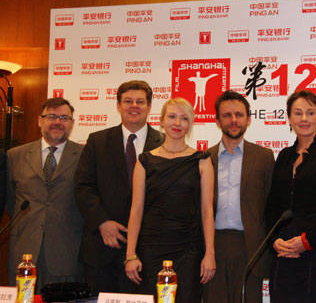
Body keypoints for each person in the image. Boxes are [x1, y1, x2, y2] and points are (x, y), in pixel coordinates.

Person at [75, 80, 163, 294]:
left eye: (140, 101)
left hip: (147, 249)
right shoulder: (97, 141)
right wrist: (102, 222)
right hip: (102, 249)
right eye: (128, 101)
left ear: (149, 107)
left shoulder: (164, 143)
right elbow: (83, 186)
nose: (134, 106)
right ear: (118, 105)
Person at [125, 97, 215, 302]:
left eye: (184, 118)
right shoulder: (145, 161)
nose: (177, 123)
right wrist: (131, 255)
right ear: (162, 121)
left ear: (190, 124)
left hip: (189, 249)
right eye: (172, 116)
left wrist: (209, 253)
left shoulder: (201, 160)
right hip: (151, 248)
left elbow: (207, 211)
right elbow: (136, 210)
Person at [265, 90, 316, 303]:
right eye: (298, 113)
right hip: (284, 251)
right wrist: (274, 241)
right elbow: (273, 204)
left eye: (310, 113)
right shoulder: (284, 156)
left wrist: (308, 241)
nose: (304, 119)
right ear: (289, 118)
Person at [203, 90, 275, 303]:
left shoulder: (264, 157)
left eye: (239, 115)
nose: (233, 120)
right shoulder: (204, 158)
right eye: (227, 115)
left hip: (251, 247)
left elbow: (272, 205)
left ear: (248, 119)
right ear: (217, 121)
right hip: (213, 247)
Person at [6, 97, 83, 291]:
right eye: (51, 116)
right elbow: (10, 200)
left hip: (67, 249)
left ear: (72, 123)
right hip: (24, 248)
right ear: (40, 120)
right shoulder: (15, 156)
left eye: (64, 117)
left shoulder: (85, 155)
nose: (57, 122)